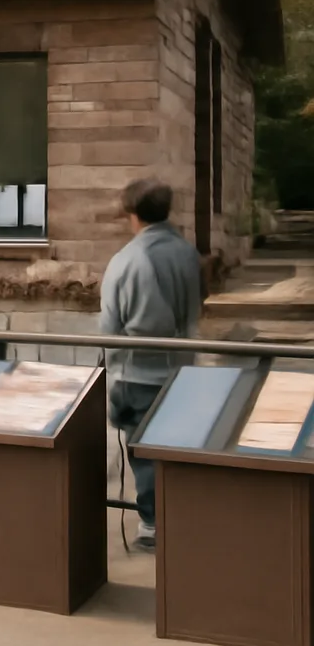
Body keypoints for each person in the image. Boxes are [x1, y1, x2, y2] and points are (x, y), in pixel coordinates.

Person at [101, 178, 202, 552]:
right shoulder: (187, 253)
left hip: (138, 372)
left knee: (143, 452)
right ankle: (180, 515)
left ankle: (153, 524)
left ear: (132, 214)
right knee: (175, 449)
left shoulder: (127, 260)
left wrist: (111, 372)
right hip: (181, 367)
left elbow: (109, 327)